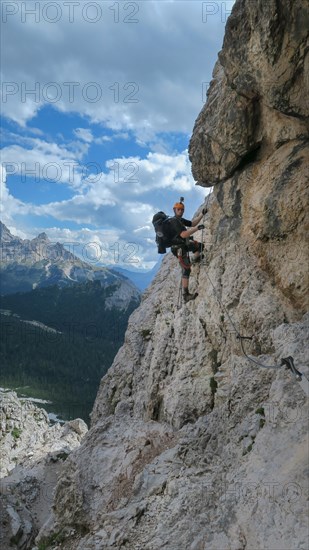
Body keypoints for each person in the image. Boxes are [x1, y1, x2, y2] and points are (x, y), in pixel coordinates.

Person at [170, 201, 207, 303]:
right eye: (179, 209)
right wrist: (197, 229)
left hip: (183, 245)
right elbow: (184, 234)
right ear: (174, 210)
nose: (181, 211)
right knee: (186, 269)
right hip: (178, 249)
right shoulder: (174, 221)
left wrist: (201, 214)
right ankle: (185, 295)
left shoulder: (180, 220)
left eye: (182, 210)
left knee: (199, 246)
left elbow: (192, 223)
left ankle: (196, 258)